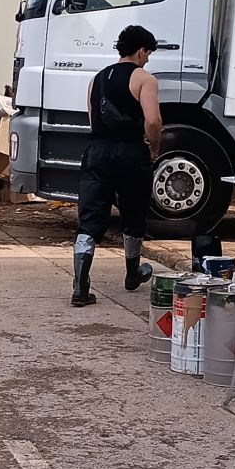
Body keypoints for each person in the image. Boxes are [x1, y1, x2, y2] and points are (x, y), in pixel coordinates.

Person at [72, 24, 164, 307]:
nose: (148, 58)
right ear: (140, 50)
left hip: (97, 151)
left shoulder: (97, 79)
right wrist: (154, 148)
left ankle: (80, 285)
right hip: (130, 152)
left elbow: (92, 117)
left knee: (90, 217)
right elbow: (153, 121)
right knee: (133, 211)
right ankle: (132, 274)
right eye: (148, 53)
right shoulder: (144, 79)